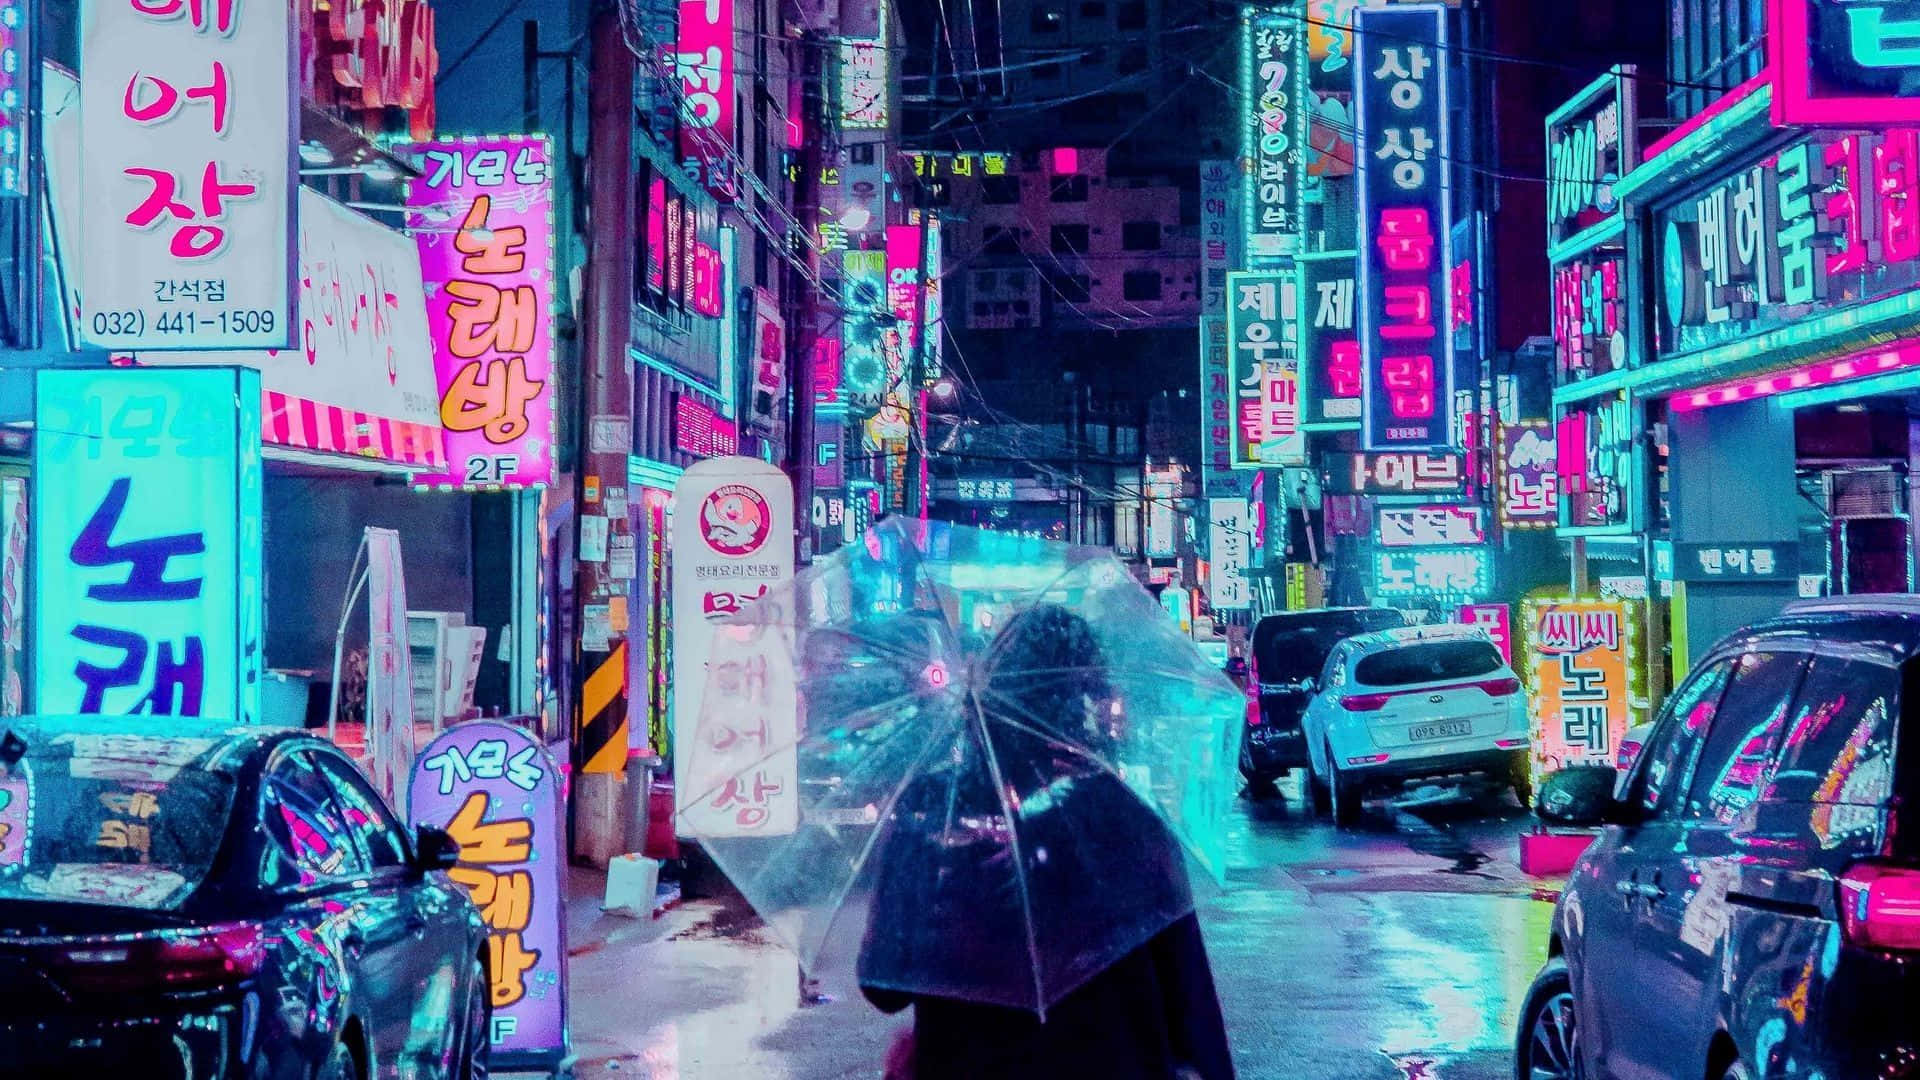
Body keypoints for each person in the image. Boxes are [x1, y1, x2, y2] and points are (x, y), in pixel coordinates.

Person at [857, 604, 1235, 1080]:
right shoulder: (1125, 819)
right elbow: (1189, 997)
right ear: (1084, 700)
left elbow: (882, 984)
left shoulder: (935, 808)